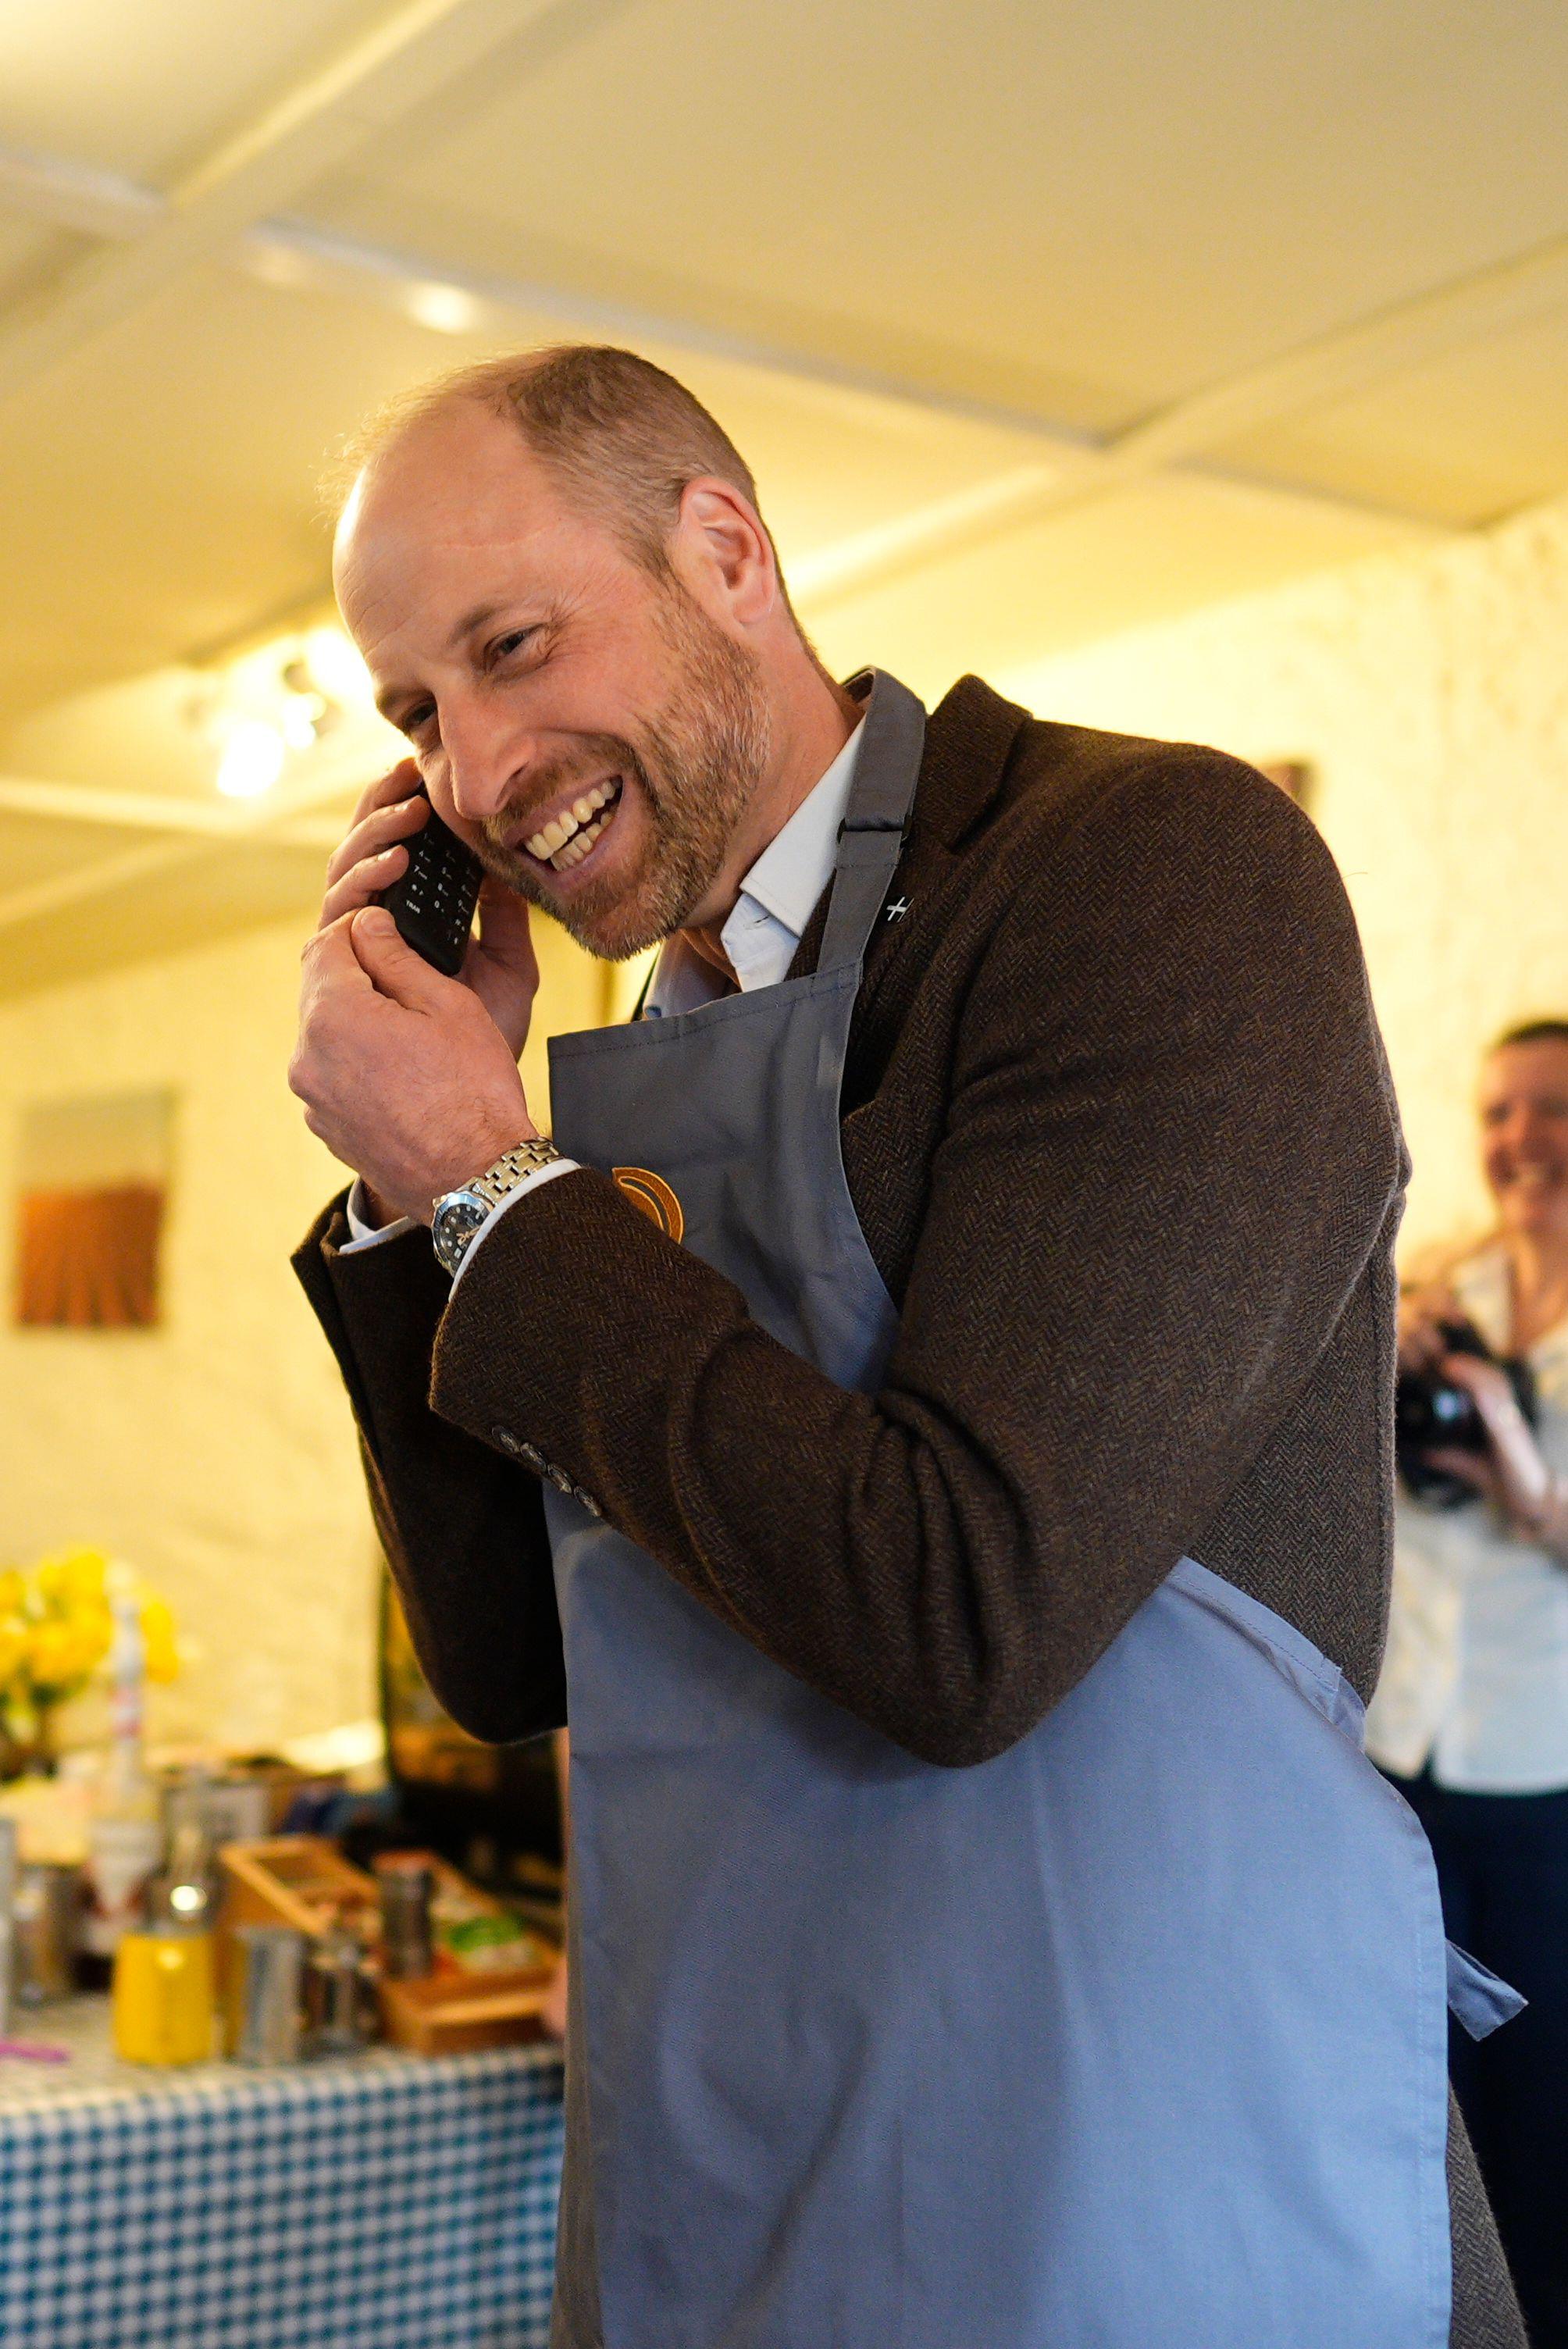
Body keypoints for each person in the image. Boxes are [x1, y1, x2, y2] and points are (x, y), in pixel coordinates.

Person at [289, 344, 1523, 2348]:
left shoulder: (1145, 869)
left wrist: (495, 1191)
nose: (477, 771)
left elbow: (965, 1614)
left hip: (1134, 2155)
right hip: (751, 2122)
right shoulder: (621, 1074)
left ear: (726, 550)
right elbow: (516, 1661)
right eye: (418, 712)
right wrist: (427, 1184)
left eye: (515, 645)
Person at [1369, 1018, 1568, 2347]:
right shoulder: (1450, 1288)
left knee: (1536, 2107)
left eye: (1549, 1111)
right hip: (1403, 1755)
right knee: (1407, 2091)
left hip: (1536, 1768)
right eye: (1499, 1114)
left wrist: (1515, 1463)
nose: (1518, 1141)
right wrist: (1392, 1337)